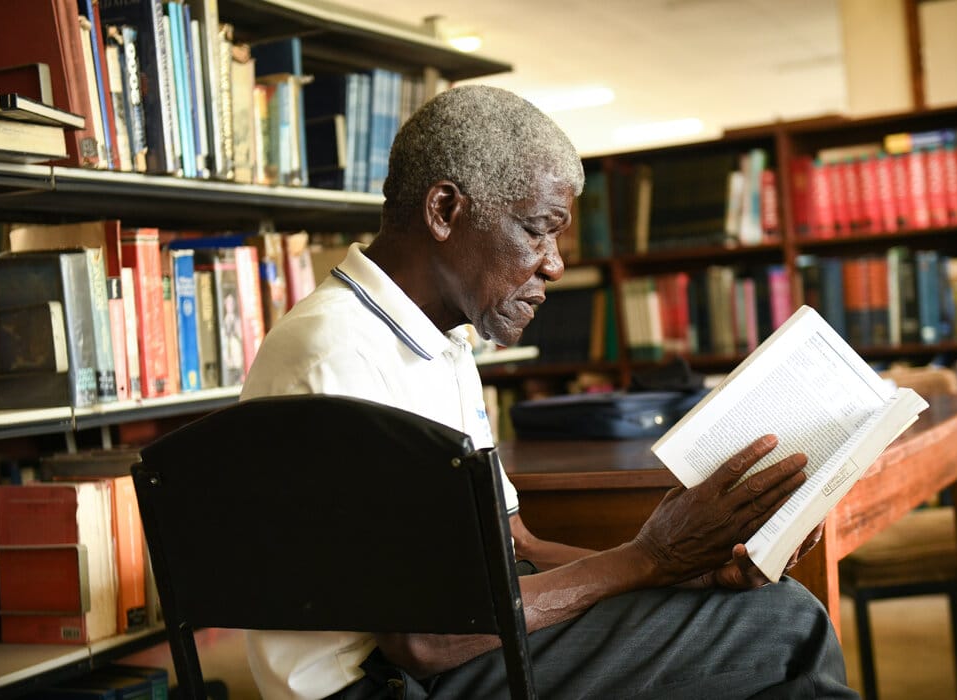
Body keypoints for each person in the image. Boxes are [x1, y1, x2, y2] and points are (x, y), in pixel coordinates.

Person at [240, 85, 857, 699]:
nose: (555, 265)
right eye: (539, 231)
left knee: (761, 610)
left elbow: (517, 551)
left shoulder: (439, 342)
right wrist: (649, 560)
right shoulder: (335, 354)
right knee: (787, 628)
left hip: (447, 654)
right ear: (445, 211)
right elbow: (426, 638)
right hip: (384, 684)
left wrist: (687, 572)